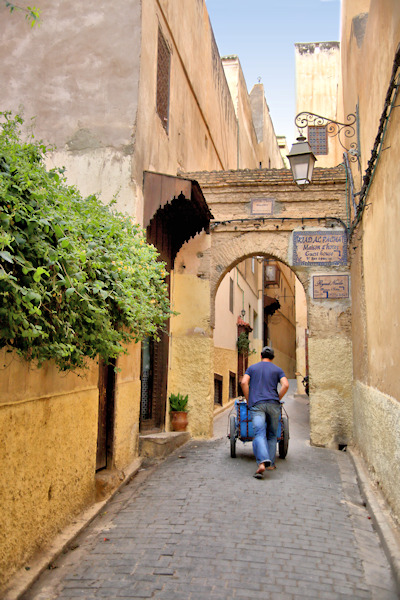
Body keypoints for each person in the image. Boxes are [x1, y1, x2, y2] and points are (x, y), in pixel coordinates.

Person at [241, 346, 289, 479]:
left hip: (257, 405)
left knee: (259, 433)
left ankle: (262, 462)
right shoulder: (278, 369)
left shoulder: (252, 368)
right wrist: (277, 398)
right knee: (273, 434)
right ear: (273, 358)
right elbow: (285, 385)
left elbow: (244, 382)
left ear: (261, 356)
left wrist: (248, 399)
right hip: (273, 404)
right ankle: (271, 464)